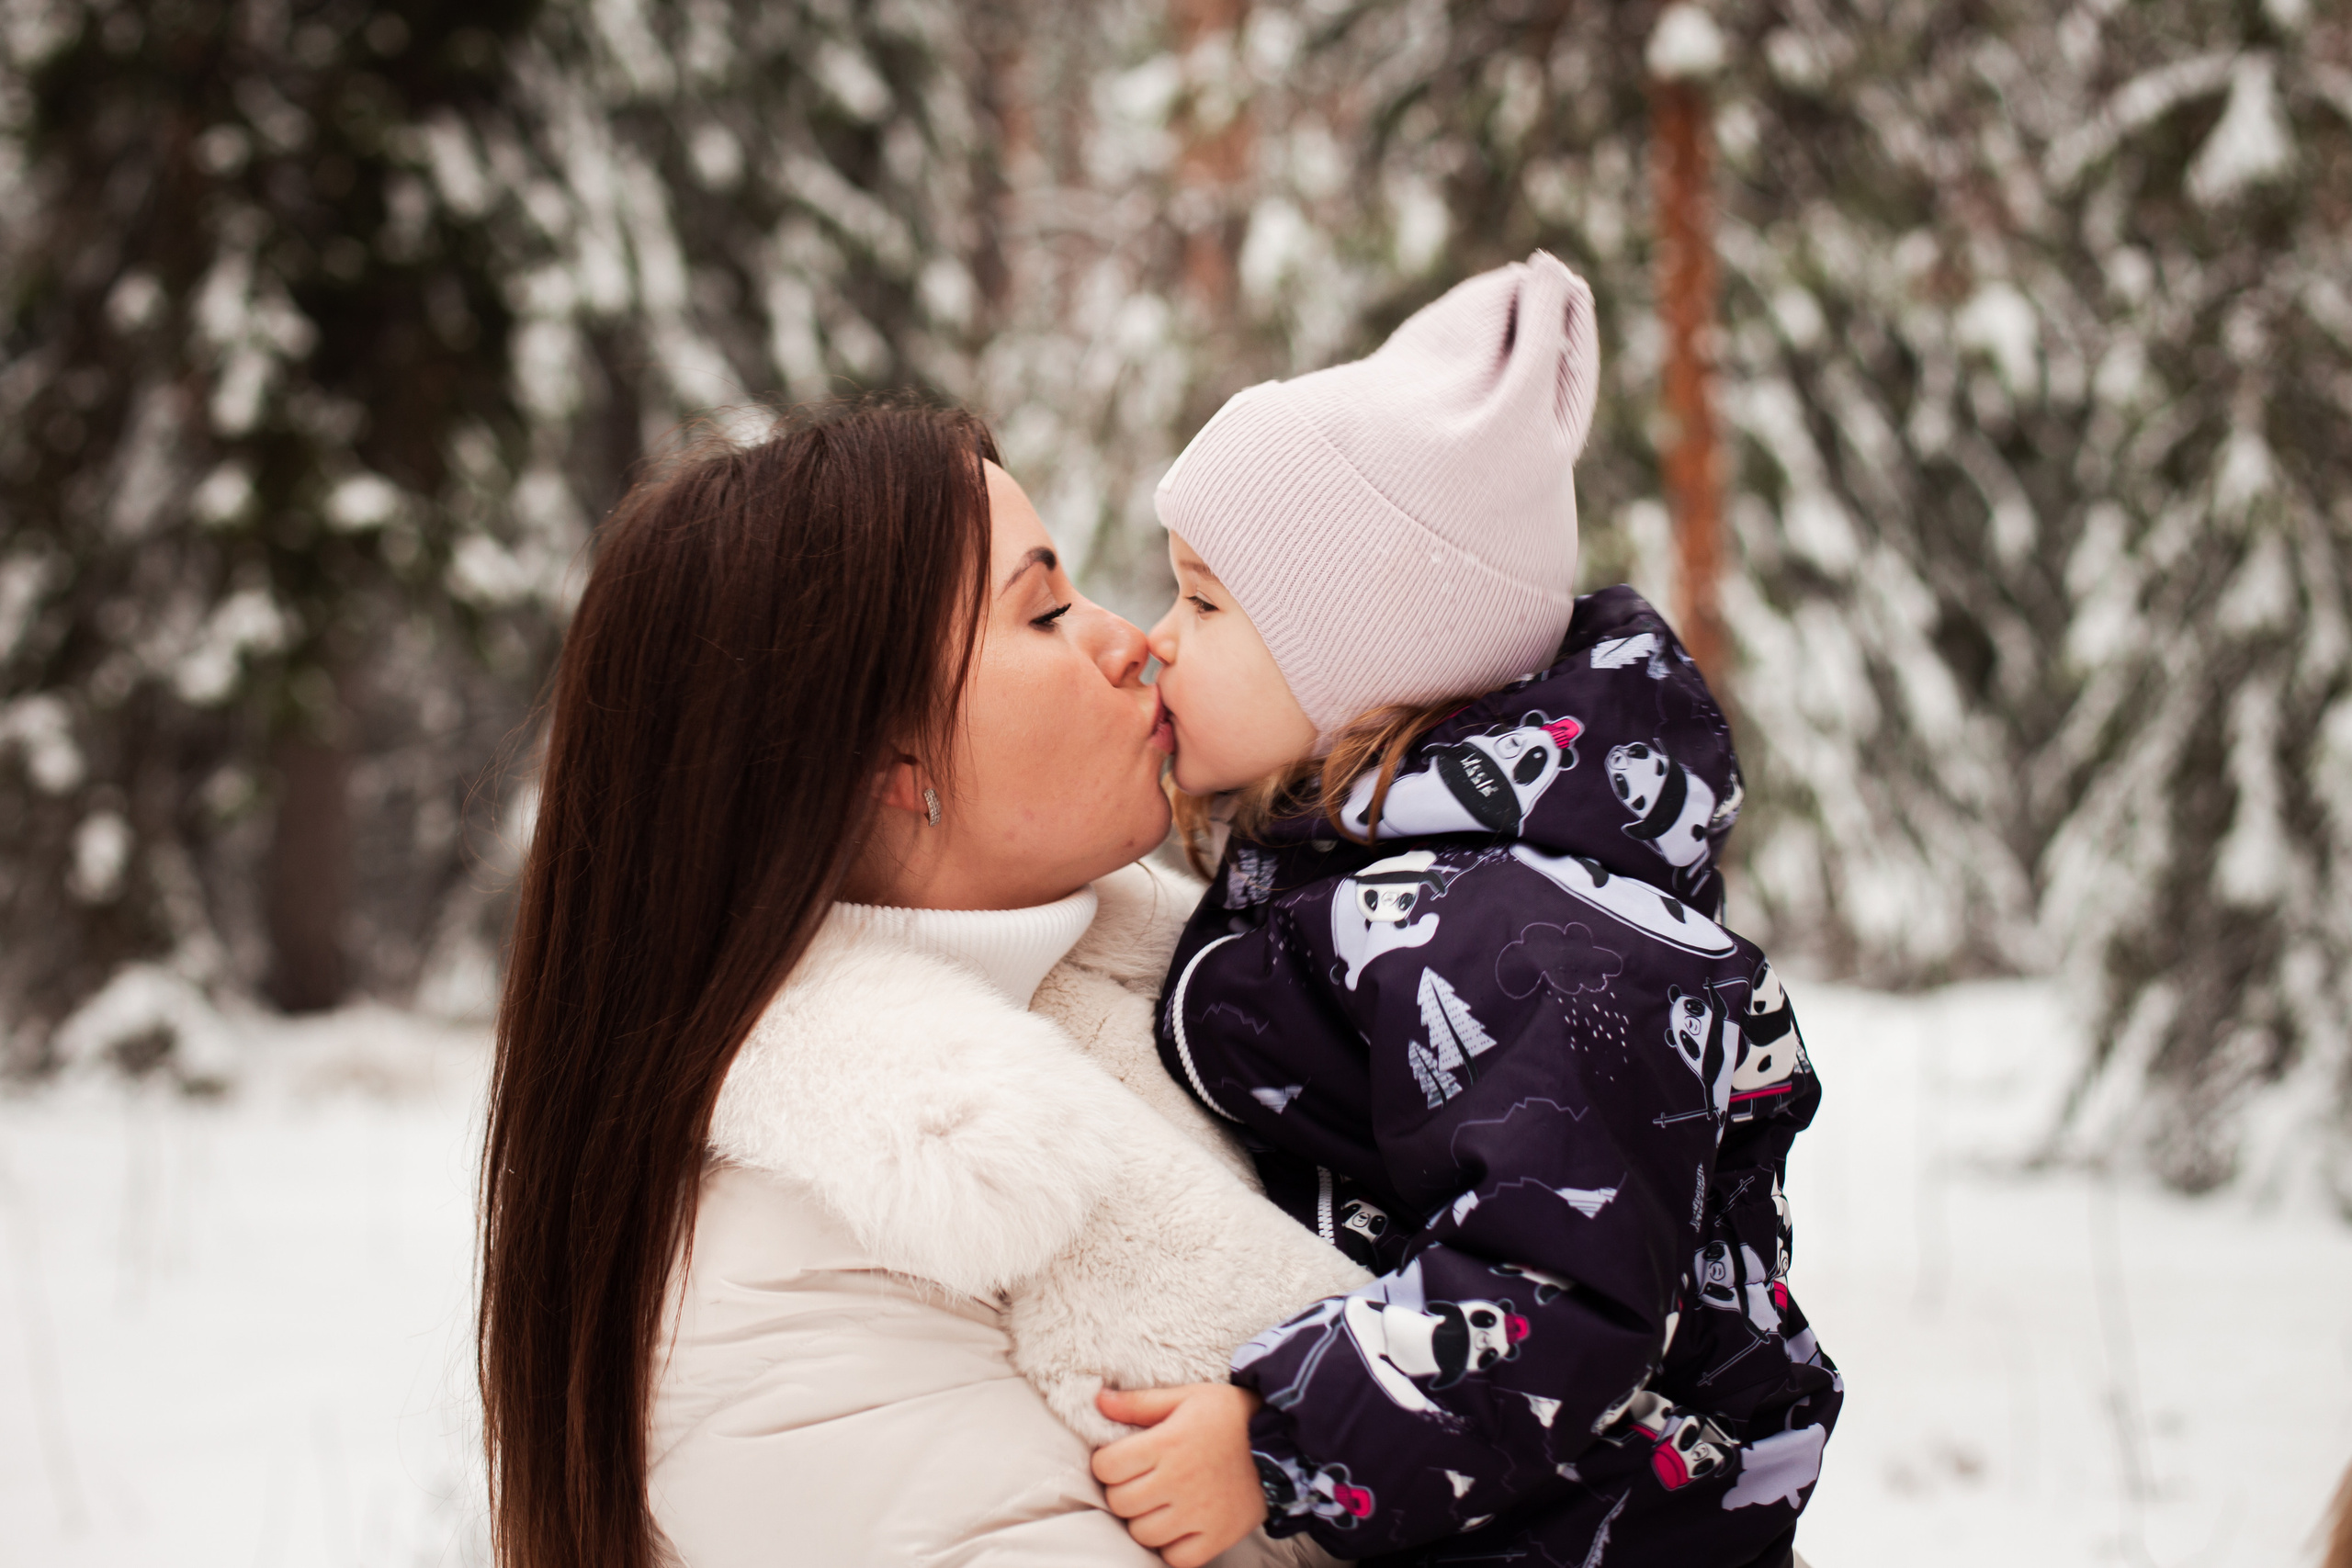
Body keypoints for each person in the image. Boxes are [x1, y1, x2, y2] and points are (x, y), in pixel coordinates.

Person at [476, 399, 1360, 1568]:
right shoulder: (786, 1253)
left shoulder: (1198, 1001)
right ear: (884, 760)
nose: (1129, 641)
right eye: (1044, 612)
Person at [1092, 254, 1840, 1567]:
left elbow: (1557, 1286)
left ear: (1366, 668)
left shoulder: (1534, 938)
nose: (1159, 637)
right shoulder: (1377, 873)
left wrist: (1281, 1441)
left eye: (1205, 601)